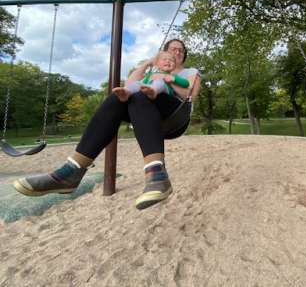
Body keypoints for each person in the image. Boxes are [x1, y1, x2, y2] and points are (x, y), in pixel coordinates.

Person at [13, 38, 200, 210]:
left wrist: (167, 79)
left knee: (142, 94)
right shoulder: (153, 69)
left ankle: (157, 174)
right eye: (172, 49)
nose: (177, 52)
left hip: (175, 114)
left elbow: (189, 95)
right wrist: (148, 64)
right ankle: (72, 171)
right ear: (162, 53)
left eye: (181, 51)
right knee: (118, 98)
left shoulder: (189, 73)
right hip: (148, 110)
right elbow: (130, 84)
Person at [112, 50, 190, 101]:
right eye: (164, 59)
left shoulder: (172, 76)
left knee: (160, 82)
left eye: (171, 60)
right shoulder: (150, 75)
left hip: (166, 94)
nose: (168, 61)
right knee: (137, 83)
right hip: (147, 91)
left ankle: (153, 91)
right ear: (157, 65)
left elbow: (186, 83)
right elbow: (141, 83)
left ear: (174, 66)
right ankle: (126, 92)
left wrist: (174, 79)